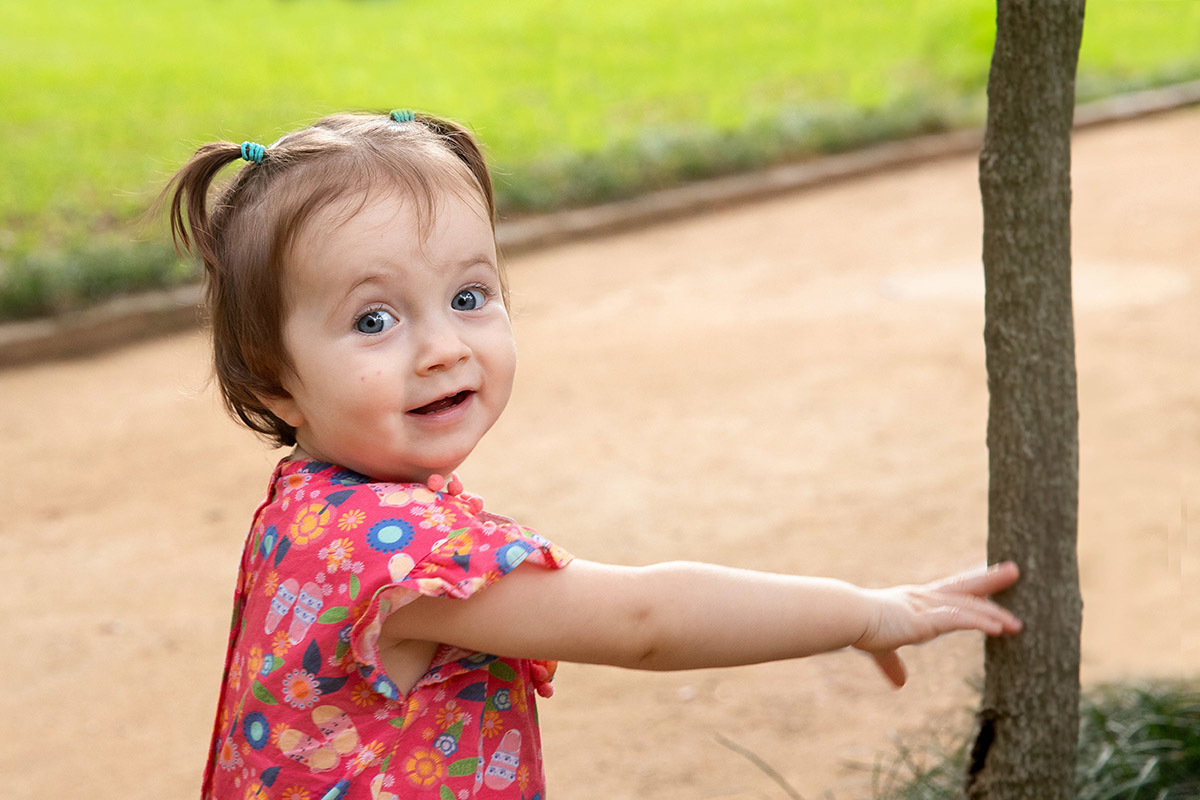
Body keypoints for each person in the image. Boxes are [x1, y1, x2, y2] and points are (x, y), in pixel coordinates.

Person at [163, 109, 1022, 800]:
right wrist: (867, 612)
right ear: (273, 382)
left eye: (469, 296)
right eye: (374, 320)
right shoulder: (391, 552)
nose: (442, 349)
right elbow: (645, 620)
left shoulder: (309, 502)